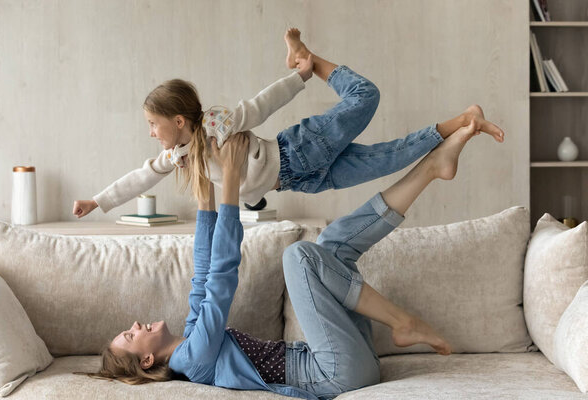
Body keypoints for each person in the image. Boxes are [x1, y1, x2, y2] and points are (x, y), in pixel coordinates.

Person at [82, 114, 493, 399]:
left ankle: (431, 168)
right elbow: (223, 276)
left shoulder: (190, 340)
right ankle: (403, 322)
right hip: (338, 374)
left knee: (330, 245)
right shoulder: (194, 358)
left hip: (348, 357)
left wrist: (204, 181)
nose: (135, 325)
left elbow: (204, 268)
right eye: (131, 335)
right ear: (149, 359)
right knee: (299, 256)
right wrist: (232, 179)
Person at [72, 28, 505, 217]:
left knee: (366, 95)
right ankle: (465, 120)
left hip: (301, 148)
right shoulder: (178, 156)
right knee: (389, 161)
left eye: (152, 124)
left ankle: (309, 59)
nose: (150, 133)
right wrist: (98, 200)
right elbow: (138, 178)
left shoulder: (217, 124)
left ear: (179, 120)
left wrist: (299, 77)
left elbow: (261, 105)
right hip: (303, 180)